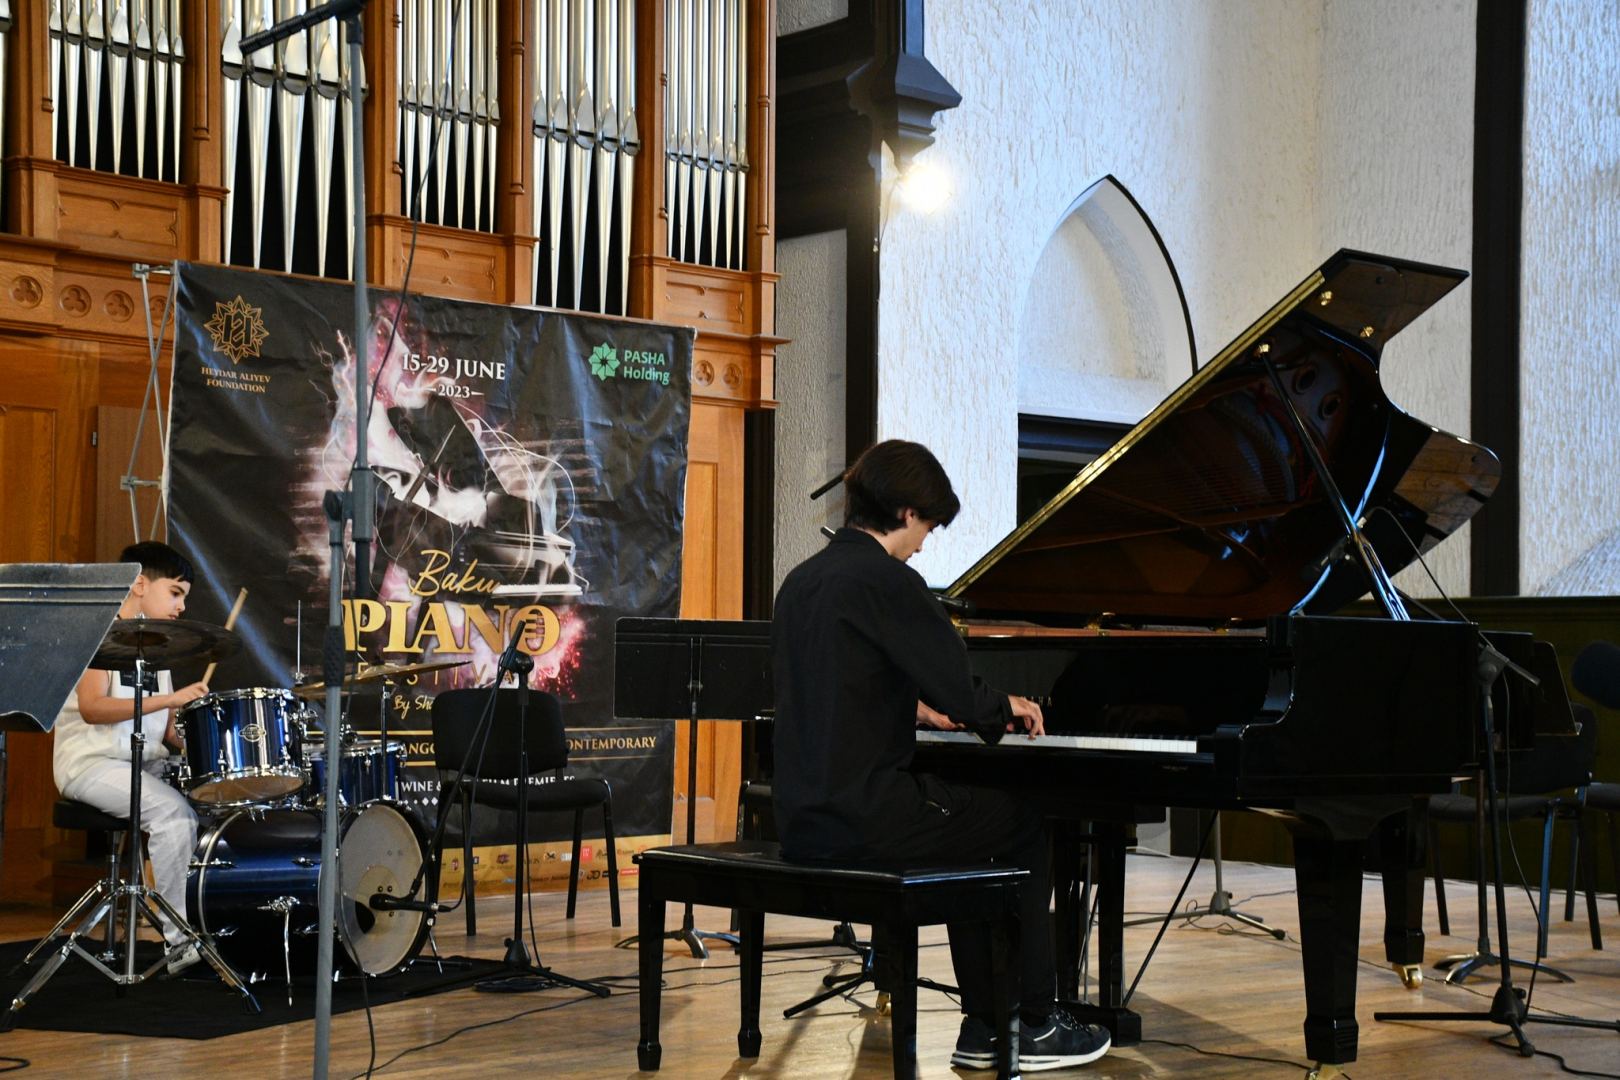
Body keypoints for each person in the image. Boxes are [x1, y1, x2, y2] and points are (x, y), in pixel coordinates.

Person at [771, 439, 1110, 1072]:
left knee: (967, 829)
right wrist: (1004, 704)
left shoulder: (802, 581)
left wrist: (912, 710)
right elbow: (961, 690)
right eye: (926, 526)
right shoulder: (888, 581)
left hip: (802, 818)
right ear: (905, 512)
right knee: (1020, 823)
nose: (924, 543)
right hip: (866, 816)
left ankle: (983, 1028)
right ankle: (1032, 1022)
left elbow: (836, 689)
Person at [53, 541, 211, 974]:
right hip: (90, 764)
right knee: (173, 815)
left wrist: (208, 739)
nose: (180, 607)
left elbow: (170, 734)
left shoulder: (158, 649)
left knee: (213, 798)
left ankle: (219, 925)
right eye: (175, 592)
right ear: (140, 584)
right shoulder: (97, 636)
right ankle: (179, 943)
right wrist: (167, 700)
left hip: (142, 762)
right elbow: (93, 708)